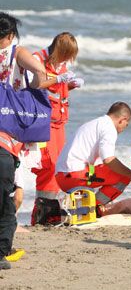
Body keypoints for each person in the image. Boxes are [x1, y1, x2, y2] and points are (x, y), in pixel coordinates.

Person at [0, 12, 46, 270]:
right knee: (15, 191)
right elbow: (39, 72)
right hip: (11, 125)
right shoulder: (17, 52)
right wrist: (34, 91)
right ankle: (3, 243)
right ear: (9, 35)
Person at [29, 32, 84, 225]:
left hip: (60, 123)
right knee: (47, 165)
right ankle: (41, 213)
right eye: (67, 55)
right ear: (59, 50)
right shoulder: (37, 59)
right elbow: (35, 85)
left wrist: (70, 85)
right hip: (43, 122)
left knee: (59, 166)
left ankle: (52, 212)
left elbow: (59, 90)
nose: (68, 60)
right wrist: (58, 79)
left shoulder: (62, 65)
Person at [55, 102, 131, 214]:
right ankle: (93, 208)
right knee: (123, 176)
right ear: (122, 119)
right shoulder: (109, 128)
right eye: (126, 125)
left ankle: (91, 206)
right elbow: (109, 160)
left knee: (108, 170)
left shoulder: (94, 123)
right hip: (74, 176)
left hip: (62, 176)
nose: (124, 129)